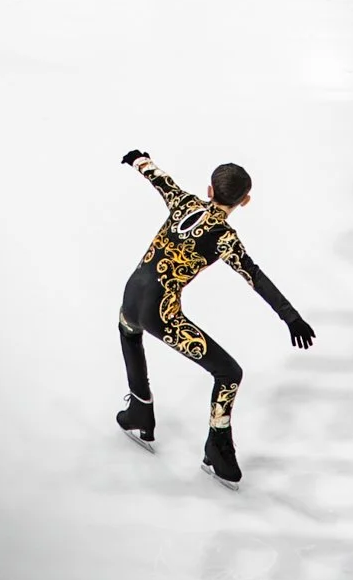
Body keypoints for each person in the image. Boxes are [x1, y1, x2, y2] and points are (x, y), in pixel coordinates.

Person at [116, 149, 315, 483]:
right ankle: (218, 448)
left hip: (130, 296)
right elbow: (256, 277)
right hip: (159, 314)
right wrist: (290, 317)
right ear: (245, 201)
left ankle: (140, 409)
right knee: (229, 373)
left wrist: (139, 159)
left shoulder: (184, 202)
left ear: (209, 190)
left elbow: (159, 178)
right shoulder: (225, 239)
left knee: (128, 331)